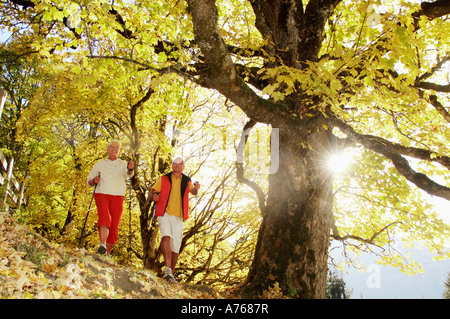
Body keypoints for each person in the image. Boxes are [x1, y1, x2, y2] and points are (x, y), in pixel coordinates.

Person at [151, 157, 200, 283]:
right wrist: (154, 196)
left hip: (179, 216)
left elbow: (193, 191)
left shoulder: (186, 180)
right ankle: (167, 268)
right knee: (166, 236)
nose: (177, 166)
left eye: (180, 164)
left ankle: (170, 275)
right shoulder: (164, 178)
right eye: (175, 164)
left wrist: (197, 187)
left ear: (183, 167)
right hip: (164, 213)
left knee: (176, 247)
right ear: (172, 166)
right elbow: (152, 193)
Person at [87, 139, 134, 256]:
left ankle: (107, 254)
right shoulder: (100, 164)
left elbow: (128, 174)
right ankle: (102, 244)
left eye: (116, 148)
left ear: (119, 151)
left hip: (118, 195)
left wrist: (131, 169)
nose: (114, 149)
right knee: (105, 216)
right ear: (107, 150)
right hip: (102, 192)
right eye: (112, 147)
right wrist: (94, 180)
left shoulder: (122, 164)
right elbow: (89, 181)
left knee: (114, 224)